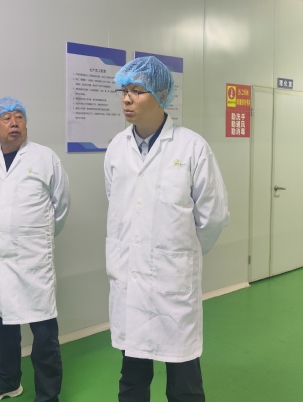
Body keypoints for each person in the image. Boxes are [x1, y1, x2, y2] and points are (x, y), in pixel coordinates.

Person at [103, 57, 229, 402]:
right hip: (130, 279)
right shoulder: (116, 148)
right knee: (132, 378)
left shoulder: (192, 147)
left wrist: (182, 252)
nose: (127, 98)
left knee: (184, 381)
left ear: (161, 95)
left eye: (137, 91)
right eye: (124, 90)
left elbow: (214, 215)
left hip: (173, 282)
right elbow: (118, 205)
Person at [0, 96, 70, 402]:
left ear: (26, 124)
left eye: (19, 117)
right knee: (1, 327)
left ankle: (48, 396)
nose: (14, 123)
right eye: (6, 118)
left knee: (43, 335)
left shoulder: (45, 158)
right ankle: (7, 381)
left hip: (33, 261)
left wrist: (37, 237)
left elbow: (61, 206)